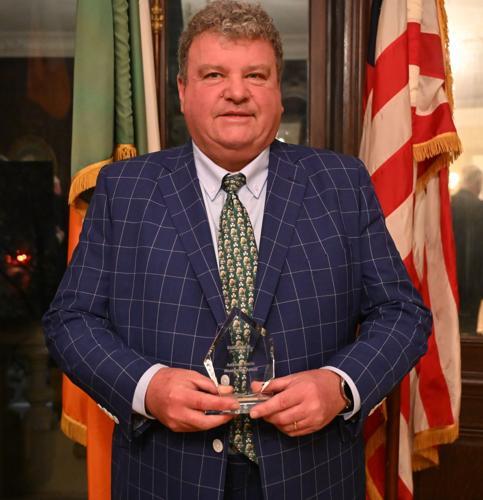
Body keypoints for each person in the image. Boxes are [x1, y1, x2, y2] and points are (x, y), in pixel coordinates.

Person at [43, 1, 432, 498]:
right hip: (166, 477)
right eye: (213, 75)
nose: (236, 92)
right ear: (182, 91)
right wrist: (147, 387)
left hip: (311, 477)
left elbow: (403, 313)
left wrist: (340, 385)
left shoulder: (341, 183)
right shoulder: (125, 189)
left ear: (278, 92)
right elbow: (70, 320)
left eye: (256, 75)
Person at [451, 164, 483, 333]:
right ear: (476, 183)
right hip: (476, 282)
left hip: (450, 278)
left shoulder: (449, 204)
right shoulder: (481, 208)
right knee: (469, 329)